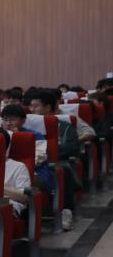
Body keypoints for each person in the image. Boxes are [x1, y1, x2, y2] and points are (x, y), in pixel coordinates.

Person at [29, 90, 80, 230]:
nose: (31, 110)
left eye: (35, 106)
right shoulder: (25, 128)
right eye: (30, 106)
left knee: (62, 169)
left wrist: (47, 152)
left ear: (47, 107)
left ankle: (66, 211)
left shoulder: (64, 126)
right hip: (34, 164)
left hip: (55, 161)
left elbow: (72, 148)